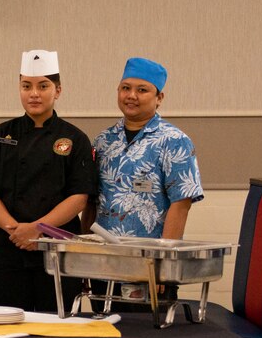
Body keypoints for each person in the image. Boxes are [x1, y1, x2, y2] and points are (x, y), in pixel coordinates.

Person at [0, 50, 96, 312]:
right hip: (6, 249)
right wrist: (15, 229)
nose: (34, 93)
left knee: (58, 332)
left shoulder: (75, 138)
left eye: (43, 86)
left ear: (57, 90)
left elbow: (79, 197)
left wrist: (37, 228)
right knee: (4, 328)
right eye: (26, 86)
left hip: (58, 251)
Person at [86, 57, 203, 239]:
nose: (131, 95)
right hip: (102, 256)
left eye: (142, 90)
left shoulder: (174, 141)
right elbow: (90, 202)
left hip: (149, 256)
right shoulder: (102, 141)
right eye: (126, 88)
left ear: (159, 98)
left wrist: (165, 258)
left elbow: (181, 205)